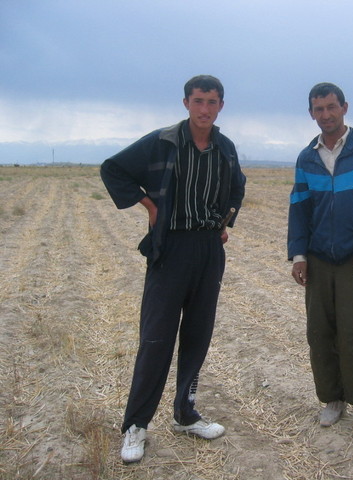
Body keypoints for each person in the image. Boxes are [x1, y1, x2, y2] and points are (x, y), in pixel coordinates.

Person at [100, 75, 246, 463]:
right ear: (185, 103)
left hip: (208, 250)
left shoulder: (225, 148)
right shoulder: (163, 141)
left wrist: (223, 223)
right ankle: (136, 425)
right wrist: (151, 207)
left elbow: (237, 188)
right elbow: (113, 169)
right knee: (156, 339)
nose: (205, 109)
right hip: (171, 248)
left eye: (212, 102)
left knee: (197, 336)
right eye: (198, 101)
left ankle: (185, 414)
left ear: (221, 106)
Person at [287, 82, 353, 433]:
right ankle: (332, 398)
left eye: (331, 107)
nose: (326, 115)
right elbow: (299, 209)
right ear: (311, 113)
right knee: (320, 333)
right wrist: (299, 255)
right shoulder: (306, 157)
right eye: (319, 109)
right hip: (318, 258)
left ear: (345, 107)